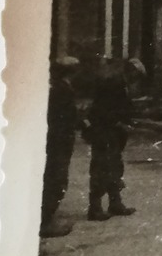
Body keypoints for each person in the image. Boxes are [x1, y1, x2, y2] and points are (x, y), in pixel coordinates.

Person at [84, 58, 137, 220]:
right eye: (136, 76)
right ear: (130, 71)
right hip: (104, 133)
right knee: (101, 169)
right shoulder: (113, 85)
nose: (136, 80)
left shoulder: (121, 84)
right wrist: (119, 123)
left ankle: (115, 203)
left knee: (115, 168)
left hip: (113, 134)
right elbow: (101, 111)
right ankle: (95, 208)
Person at [39, 57, 80, 237]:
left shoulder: (56, 87)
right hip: (59, 141)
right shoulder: (62, 90)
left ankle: (47, 219)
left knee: (53, 178)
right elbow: (64, 117)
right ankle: (46, 222)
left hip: (55, 140)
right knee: (56, 179)